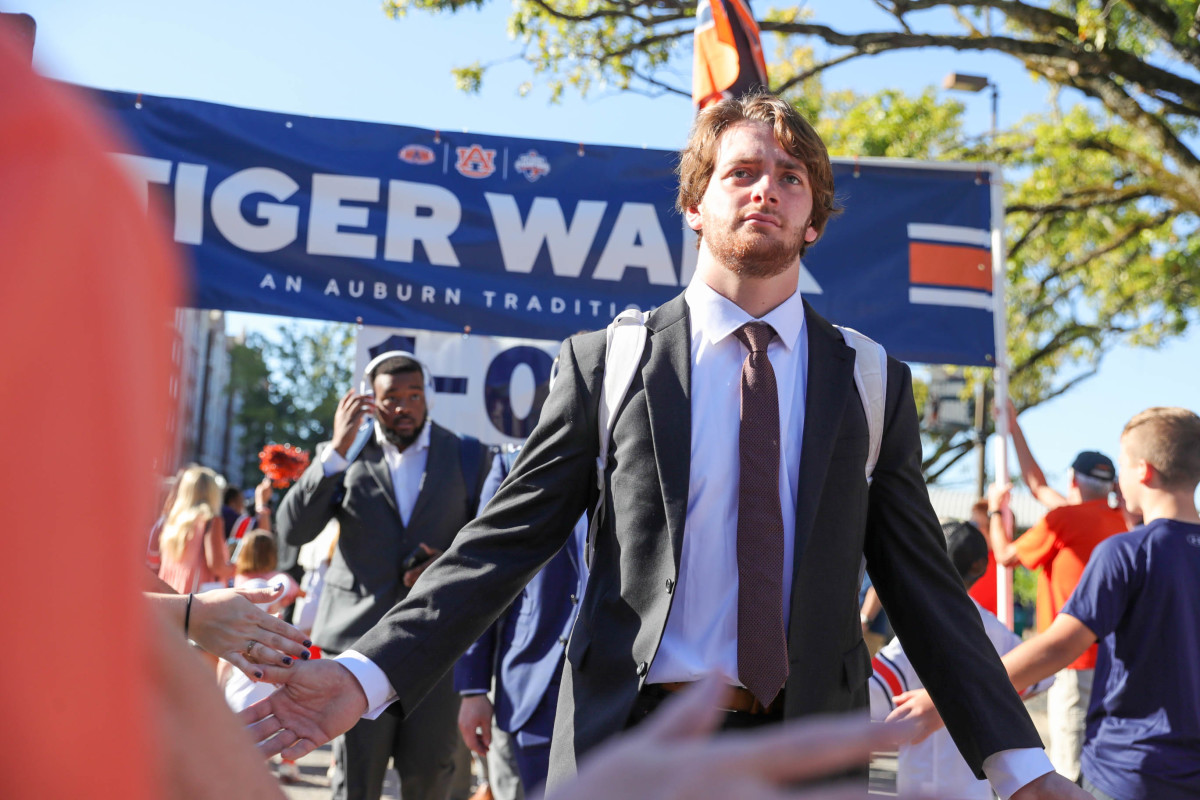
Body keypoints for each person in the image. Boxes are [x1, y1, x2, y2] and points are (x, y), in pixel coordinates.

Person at [244, 92, 1087, 800]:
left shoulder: (870, 379)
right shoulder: (609, 362)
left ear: (815, 218)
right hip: (630, 745)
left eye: (791, 178)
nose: (766, 191)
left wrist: (1018, 765)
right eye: (742, 173)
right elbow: (497, 549)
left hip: (807, 757)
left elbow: (924, 590)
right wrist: (364, 675)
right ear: (695, 205)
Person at [892, 406, 1200, 800]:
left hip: (1129, 770)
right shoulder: (1119, 537)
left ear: (1142, 471)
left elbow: (1057, 646)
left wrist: (948, 699)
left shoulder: (1126, 552)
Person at [276, 352, 492, 800]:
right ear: (369, 401)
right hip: (356, 652)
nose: (405, 406)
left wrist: (445, 564)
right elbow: (292, 530)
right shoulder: (344, 458)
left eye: (414, 395)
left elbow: (488, 542)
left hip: (433, 650)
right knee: (354, 785)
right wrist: (336, 450)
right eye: (392, 397)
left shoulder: (467, 454)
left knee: (430, 781)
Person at [991, 403, 1129, 783]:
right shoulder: (1121, 520)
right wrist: (1014, 428)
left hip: (1073, 659)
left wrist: (993, 514)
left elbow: (1005, 556)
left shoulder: (1063, 520)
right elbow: (1038, 487)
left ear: (1073, 480)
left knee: (1068, 767)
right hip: (1118, 661)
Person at [870, 521, 1053, 799]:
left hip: (920, 784)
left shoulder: (916, 624)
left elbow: (871, 695)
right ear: (980, 567)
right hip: (974, 786)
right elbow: (1042, 678)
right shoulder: (992, 628)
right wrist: (990, 698)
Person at [456, 446, 590, 796]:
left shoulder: (648, 449)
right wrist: (473, 688)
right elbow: (482, 576)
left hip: (620, 683)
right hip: (532, 684)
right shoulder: (512, 461)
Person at [157, 465, 235, 595]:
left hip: (170, 593)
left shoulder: (174, 519)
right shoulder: (211, 520)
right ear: (213, 492)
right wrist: (237, 567)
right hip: (197, 601)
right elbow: (218, 566)